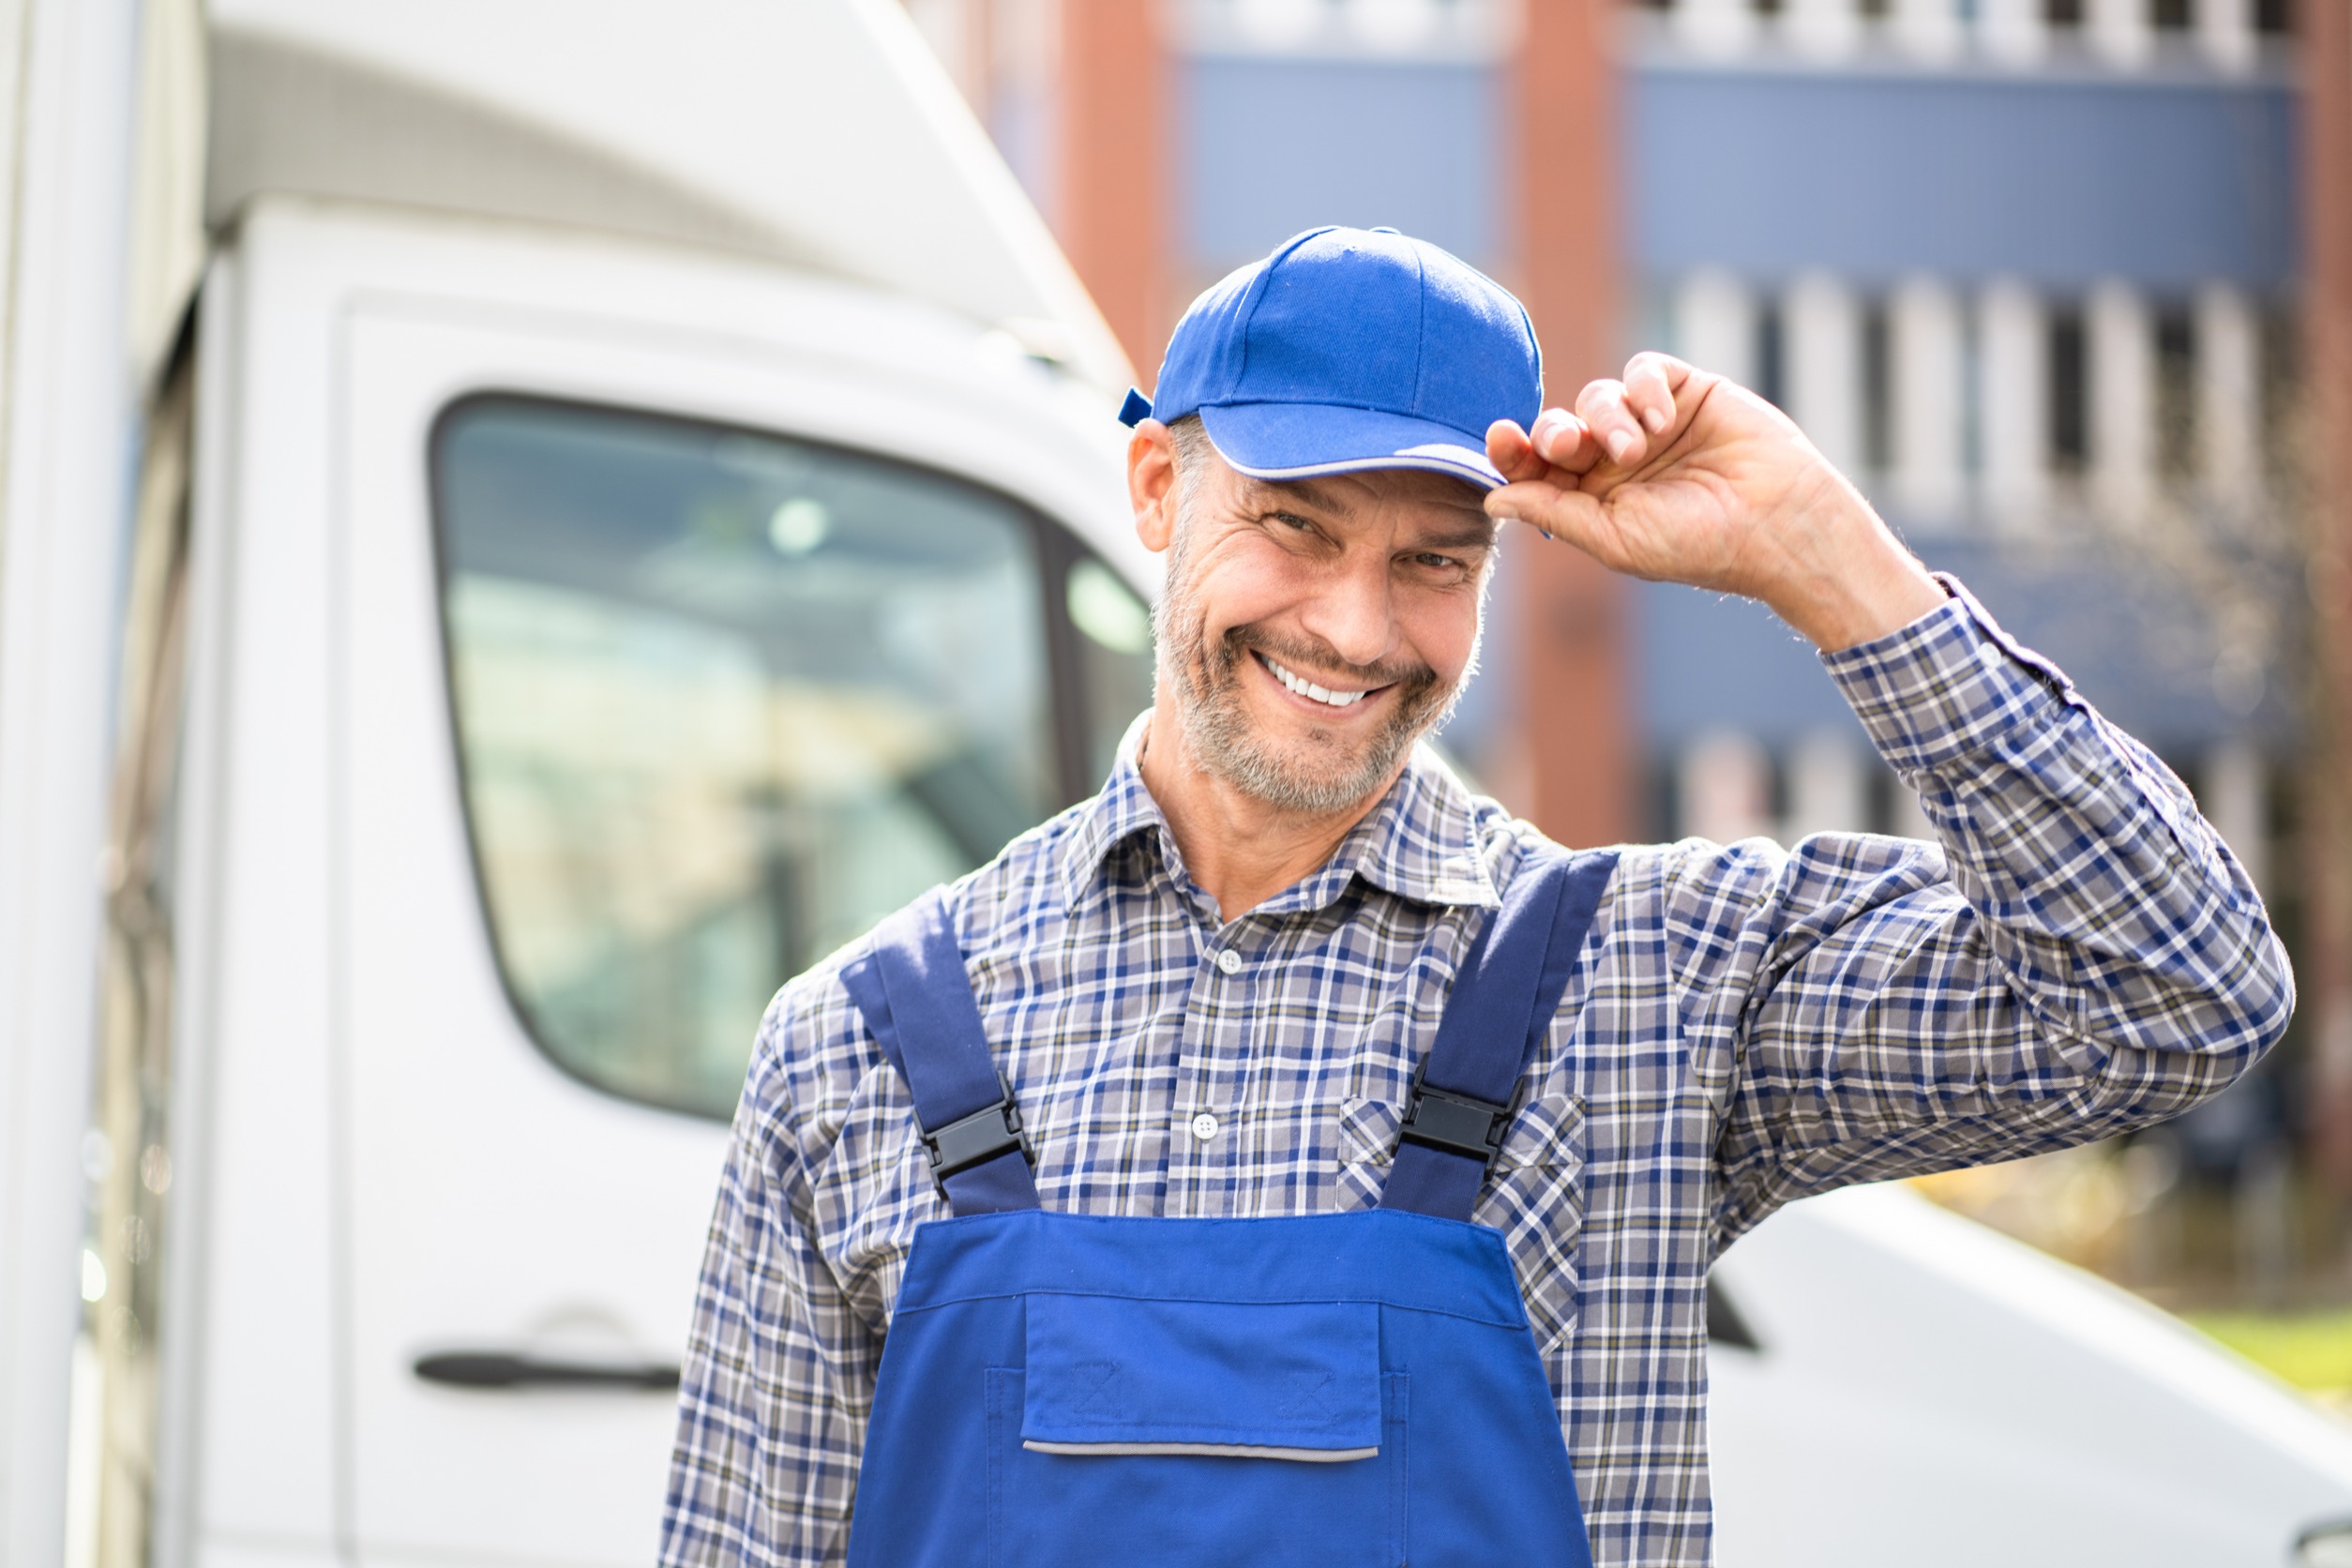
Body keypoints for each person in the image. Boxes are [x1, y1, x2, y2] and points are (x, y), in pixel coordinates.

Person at [657, 227, 2292, 1568]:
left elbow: (2174, 993)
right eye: (1295, 530)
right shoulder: (859, 1045)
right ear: (1158, 492)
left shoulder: (1649, 989)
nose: (1358, 631)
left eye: (1435, 559)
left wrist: (1821, 555)